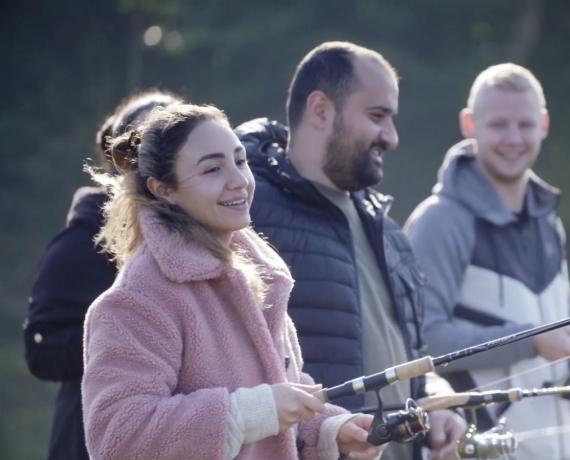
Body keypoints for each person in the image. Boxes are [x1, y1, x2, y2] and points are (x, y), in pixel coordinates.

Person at [81, 103, 380, 460]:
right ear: (163, 189)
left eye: (240, 160)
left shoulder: (261, 275)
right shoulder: (137, 299)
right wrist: (252, 411)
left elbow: (279, 399)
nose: (239, 180)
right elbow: (119, 436)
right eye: (212, 169)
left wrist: (331, 431)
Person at [236, 41, 465, 460]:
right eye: (377, 116)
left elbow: (412, 360)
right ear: (321, 109)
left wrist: (437, 399)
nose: (391, 137)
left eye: (392, 119)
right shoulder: (246, 214)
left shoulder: (389, 232)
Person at [405, 63, 570, 460]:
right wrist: (531, 340)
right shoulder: (438, 221)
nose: (513, 138)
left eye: (525, 125)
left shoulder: (548, 221)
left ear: (543, 124)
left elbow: (565, 322)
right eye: (498, 125)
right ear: (469, 124)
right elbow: (420, 343)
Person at [23, 89, 180, 460]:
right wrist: (125, 338)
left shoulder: (197, 241)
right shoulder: (83, 240)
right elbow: (41, 350)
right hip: (87, 440)